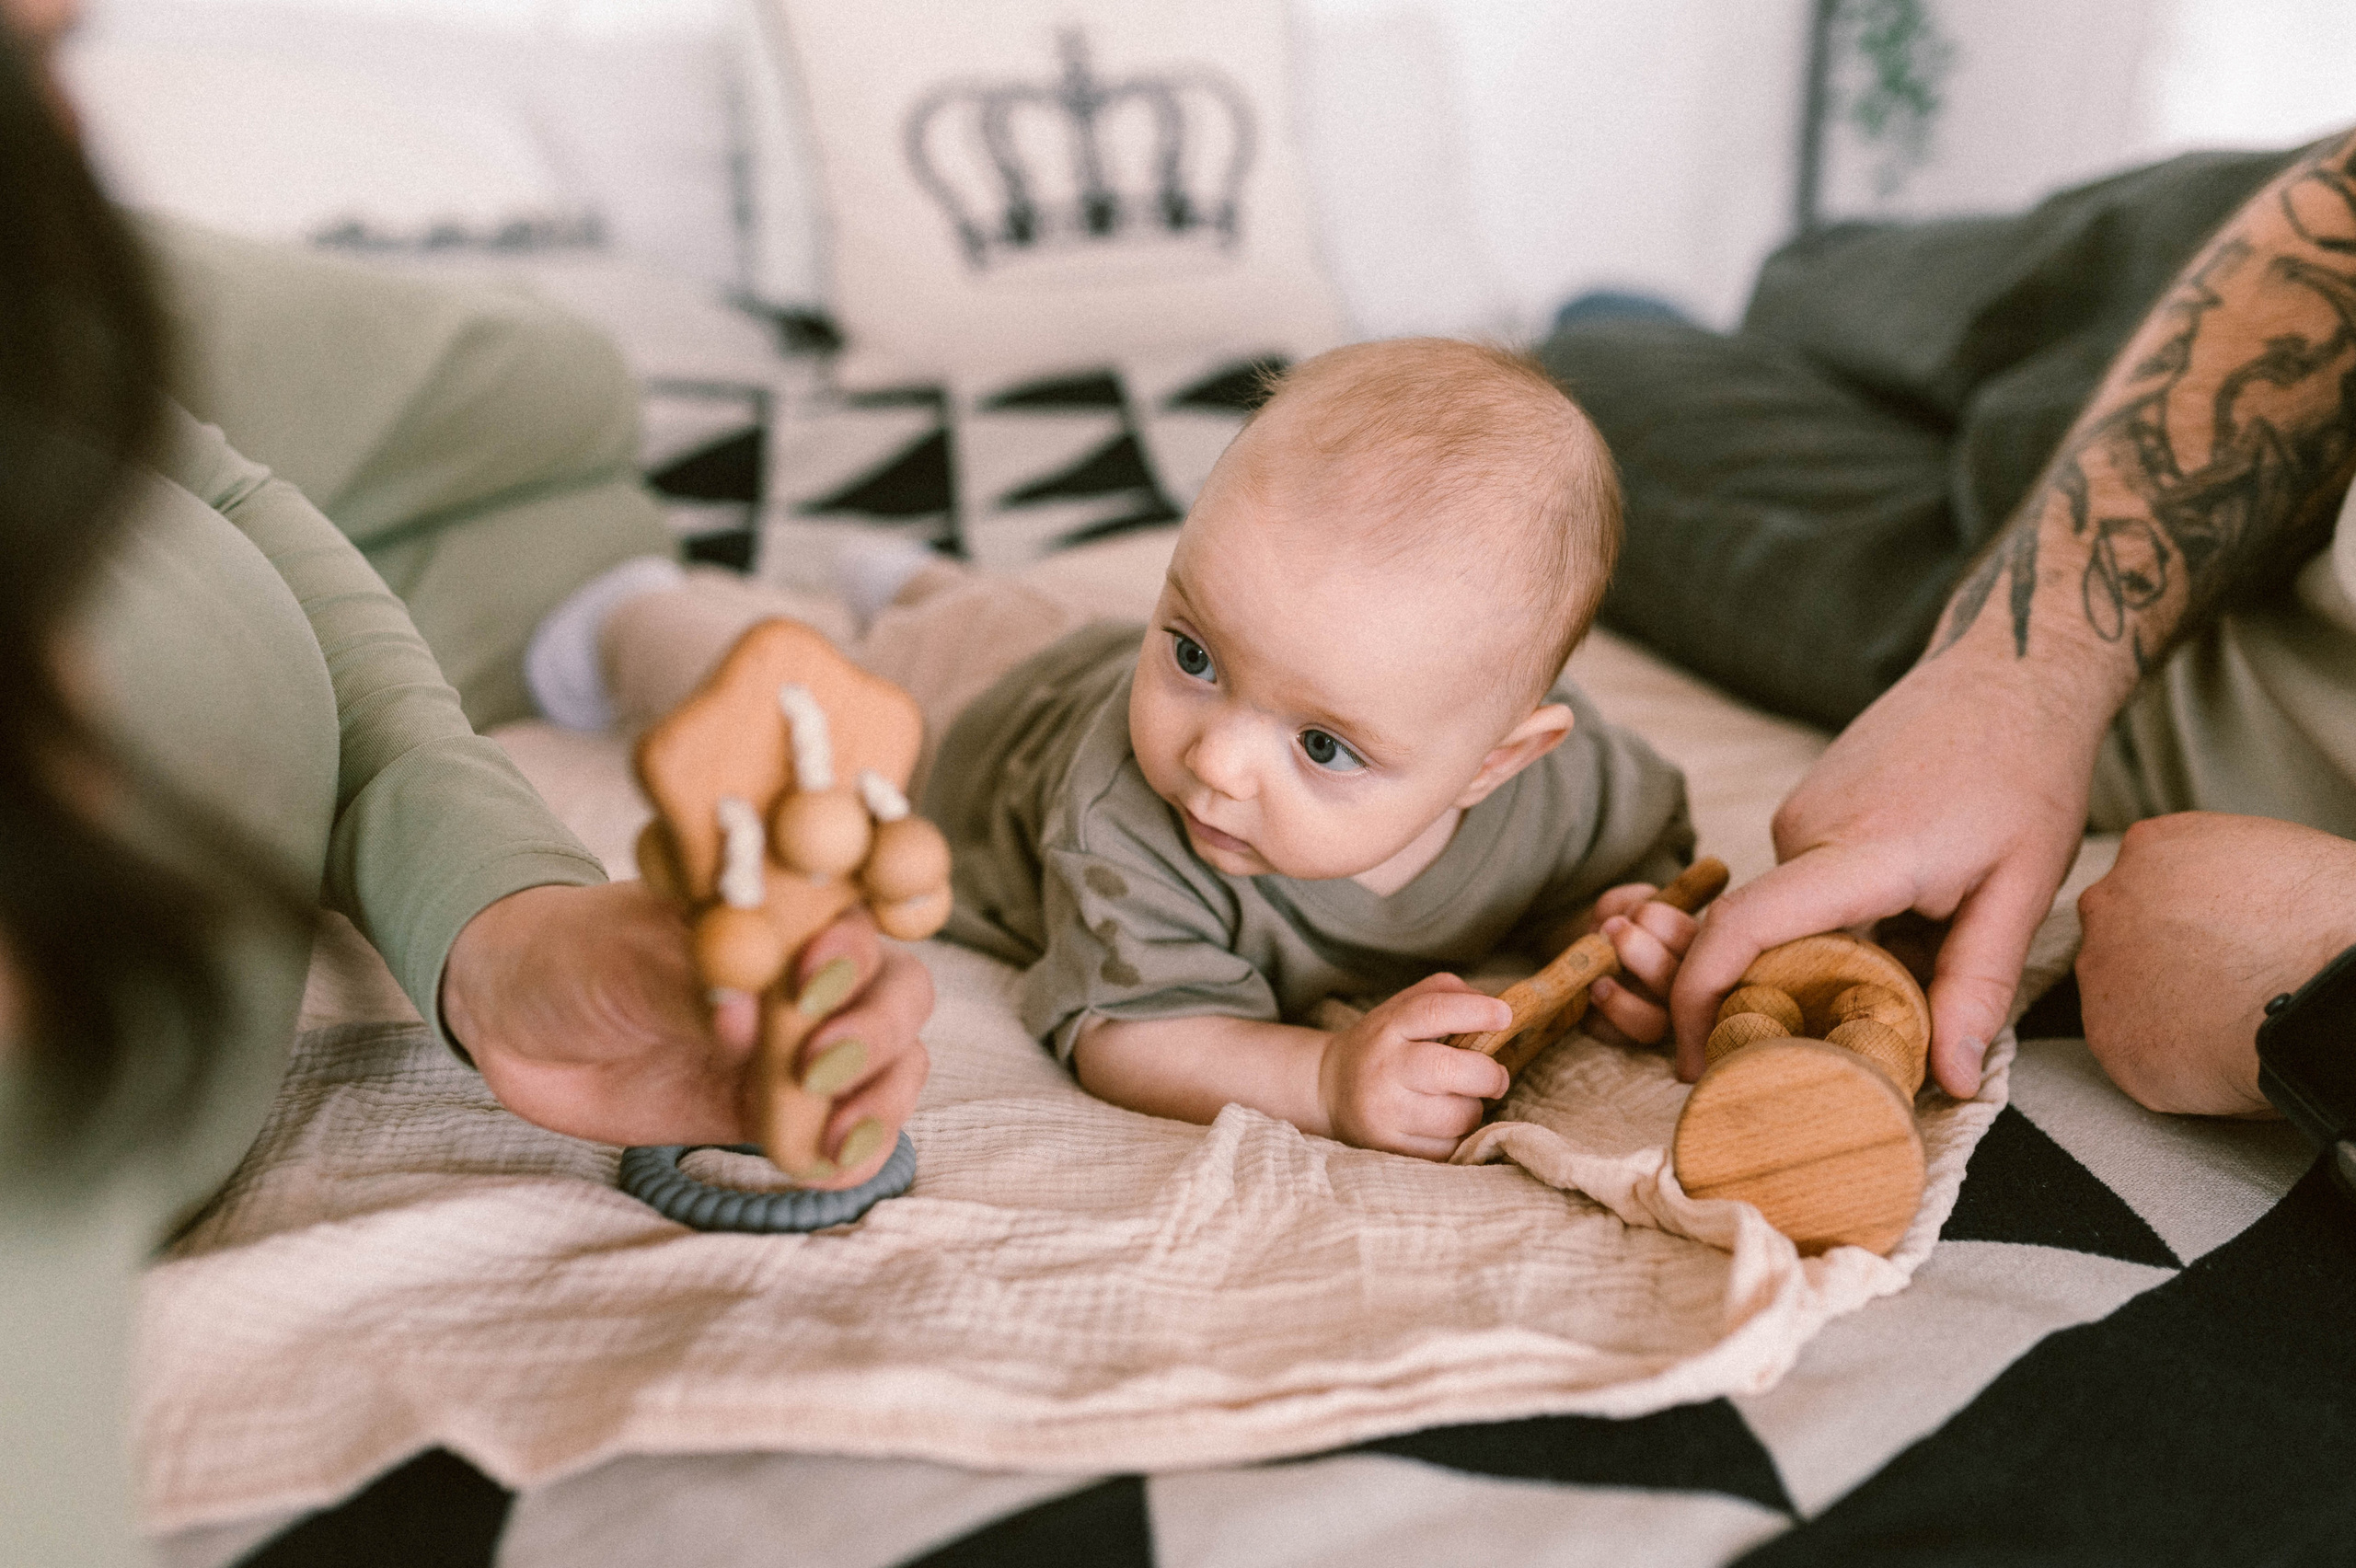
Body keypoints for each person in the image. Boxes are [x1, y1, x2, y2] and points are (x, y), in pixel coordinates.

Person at [0, 9, 930, 1562]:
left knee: (563, 386)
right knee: (563, 409)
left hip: (230, 519)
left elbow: (206, 481)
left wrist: (497, 925)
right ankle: (602, 592)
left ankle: (594, 578)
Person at [1666, 125, 2356, 1119]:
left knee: (1583, 381)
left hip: (2100, 729)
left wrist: (2324, 995)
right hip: (2229, 325)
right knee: (1812, 279)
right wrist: (2009, 680)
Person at [918, 340, 1696, 1159]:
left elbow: (1644, 864)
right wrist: (1324, 1078)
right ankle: (911, 583)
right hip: (998, 724)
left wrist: (1615, 934)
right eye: (1193, 653)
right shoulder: (1122, 817)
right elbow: (1128, 1037)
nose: (1215, 762)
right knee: (936, 644)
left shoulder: (1572, 793)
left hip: (1105, 656)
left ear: (1494, 765)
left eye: (1323, 745)